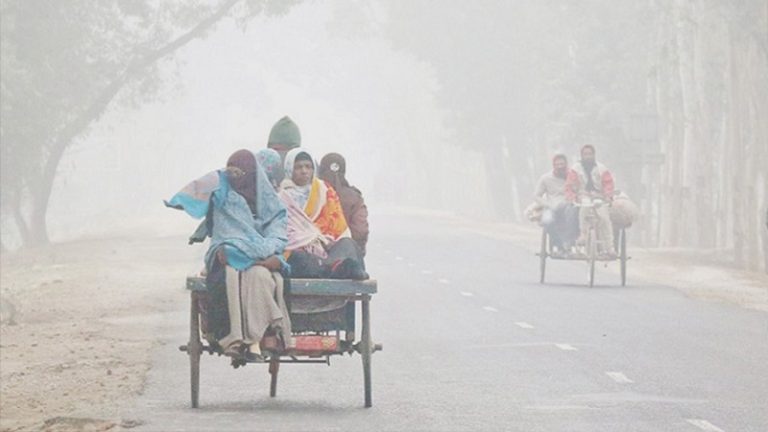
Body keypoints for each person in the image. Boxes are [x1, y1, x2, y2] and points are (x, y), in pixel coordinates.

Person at [166, 149, 292, 361]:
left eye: (239, 173)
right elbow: (224, 231)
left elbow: (277, 232)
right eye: (231, 173)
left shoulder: (270, 200)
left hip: (263, 256)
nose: (234, 178)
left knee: (260, 277)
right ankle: (234, 339)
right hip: (230, 251)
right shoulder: (222, 194)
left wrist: (264, 250)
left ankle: (256, 340)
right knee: (232, 275)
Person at [279, 148, 367, 279]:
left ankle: (332, 266)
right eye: (298, 167)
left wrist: (322, 240)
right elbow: (281, 231)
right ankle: (333, 268)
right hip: (297, 251)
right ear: (289, 169)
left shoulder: (324, 191)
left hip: (326, 248)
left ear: (314, 169)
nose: (304, 171)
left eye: (308, 167)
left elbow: (337, 226)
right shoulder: (281, 197)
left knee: (348, 243)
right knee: (299, 257)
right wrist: (307, 239)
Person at [565, 145, 616, 257]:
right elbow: (570, 185)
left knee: (604, 218)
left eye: (590, 154)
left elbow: (608, 184)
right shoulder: (575, 169)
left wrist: (608, 196)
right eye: (585, 154)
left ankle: (609, 247)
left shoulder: (602, 168)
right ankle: (583, 235)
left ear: (594, 155)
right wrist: (572, 197)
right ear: (582, 155)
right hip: (583, 195)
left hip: (599, 196)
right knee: (585, 208)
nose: (588, 156)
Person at [318, 153, 370, 257]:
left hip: (316, 257)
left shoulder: (313, 194)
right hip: (347, 258)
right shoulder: (355, 197)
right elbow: (360, 231)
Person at [535, 154, 578, 256]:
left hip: (569, 205)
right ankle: (558, 244)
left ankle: (568, 243)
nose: (560, 166)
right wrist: (547, 204)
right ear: (553, 165)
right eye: (557, 164)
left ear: (566, 164)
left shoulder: (573, 177)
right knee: (546, 221)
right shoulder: (546, 178)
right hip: (551, 206)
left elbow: (579, 190)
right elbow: (537, 196)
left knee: (573, 214)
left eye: (562, 164)